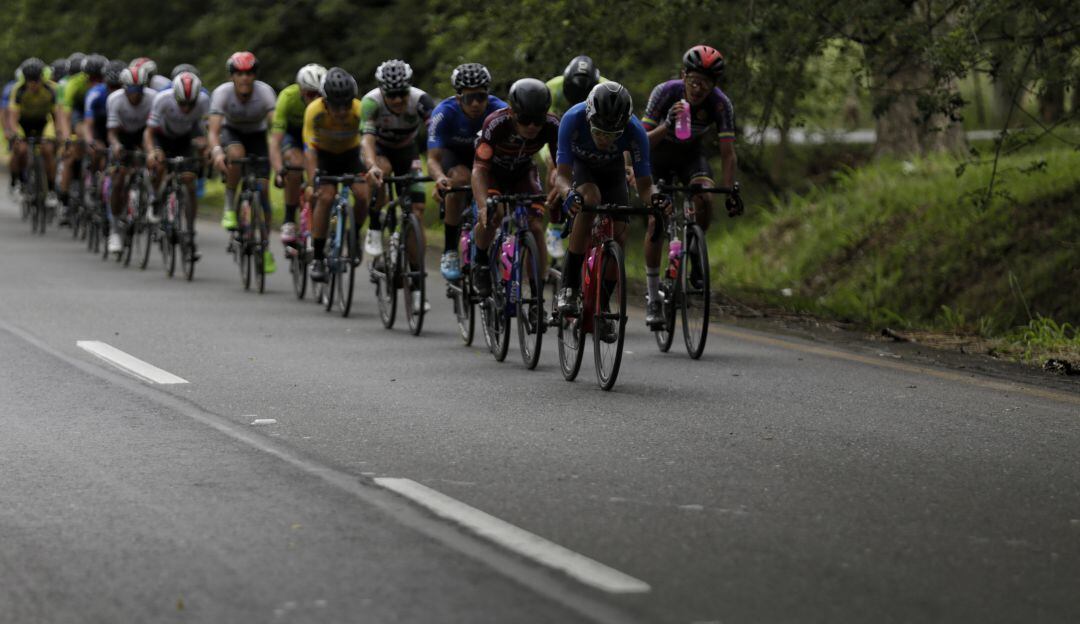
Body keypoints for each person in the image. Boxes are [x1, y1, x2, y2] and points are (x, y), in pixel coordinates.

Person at [552, 82, 667, 336]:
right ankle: (569, 288)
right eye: (599, 132)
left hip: (613, 173)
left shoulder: (635, 131)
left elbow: (646, 187)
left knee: (620, 232)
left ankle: (602, 307)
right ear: (589, 117)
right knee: (590, 198)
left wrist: (658, 201)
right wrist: (568, 194)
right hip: (583, 170)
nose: (605, 139)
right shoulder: (572, 118)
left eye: (613, 134)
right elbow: (560, 177)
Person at [640, 44, 739, 324]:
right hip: (658, 156)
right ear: (683, 75)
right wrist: (666, 126)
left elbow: (728, 152)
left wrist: (731, 189)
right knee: (655, 221)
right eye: (694, 81)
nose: (698, 89)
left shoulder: (720, 104)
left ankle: (695, 245)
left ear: (714, 85)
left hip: (690, 157)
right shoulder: (665, 92)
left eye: (706, 83)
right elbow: (641, 143)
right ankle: (653, 297)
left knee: (705, 196)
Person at [470, 77, 559, 296]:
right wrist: (483, 206)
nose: (531, 126)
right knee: (493, 215)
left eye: (537, 120)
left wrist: (562, 186)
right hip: (493, 173)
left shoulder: (552, 125)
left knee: (535, 226)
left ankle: (538, 292)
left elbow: (562, 166)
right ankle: (481, 262)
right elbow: (479, 169)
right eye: (525, 119)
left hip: (523, 171)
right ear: (511, 112)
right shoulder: (495, 123)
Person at [427, 63, 507, 280]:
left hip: (485, 159)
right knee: (458, 182)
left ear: (487, 95)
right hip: (454, 157)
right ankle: (450, 249)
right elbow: (432, 159)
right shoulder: (444, 112)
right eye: (468, 98)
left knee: (497, 204)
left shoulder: (500, 109)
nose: (475, 104)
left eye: (480, 97)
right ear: (458, 96)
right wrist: (440, 177)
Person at [208, 51, 277, 274]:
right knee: (236, 154)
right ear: (232, 76)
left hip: (257, 136)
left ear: (254, 75)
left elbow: (276, 128)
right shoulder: (222, 94)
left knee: (264, 190)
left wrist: (279, 153)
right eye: (239, 73)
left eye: (248, 73)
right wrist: (218, 152)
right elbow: (214, 131)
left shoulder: (265, 93)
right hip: (232, 132)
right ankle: (229, 205)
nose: (244, 78)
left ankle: (265, 248)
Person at [301, 67, 371, 286]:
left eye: (346, 104)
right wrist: (314, 183)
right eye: (335, 105)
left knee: (362, 194)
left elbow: (368, 144)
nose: (341, 111)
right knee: (325, 196)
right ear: (324, 101)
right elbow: (310, 151)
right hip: (324, 156)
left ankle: (354, 235)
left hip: (350, 155)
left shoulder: (360, 110)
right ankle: (319, 258)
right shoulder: (314, 111)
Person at [360, 59, 434, 261]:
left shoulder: (420, 100)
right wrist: (372, 165)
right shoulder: (371, 102)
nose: (398, 100)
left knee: (417, 211)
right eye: (392, 95)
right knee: (381, 169)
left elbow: (437, 136)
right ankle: (375, 227)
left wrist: (439, 166)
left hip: (407, 152)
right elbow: (367, 140)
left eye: (403, 93)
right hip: (380, 150)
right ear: (382, 91)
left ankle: (416, 278)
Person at [542, 55, 606, 261]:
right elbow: (544, 133)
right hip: (559, 132)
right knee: (554, 165)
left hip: (593, 134)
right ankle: (554, 224)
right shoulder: (551, 89)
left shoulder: (607, 88)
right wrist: (552, 162)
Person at [145, 71, 210, 259]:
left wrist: (206, 149)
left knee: (189, 181)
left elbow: (209, 130)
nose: (186, 108)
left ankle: (190, 234)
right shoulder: (162, 99)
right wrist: (152, 151)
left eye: (191, 104)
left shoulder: (205, 101)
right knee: (158, 165)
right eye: (182, 103)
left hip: (184, 139)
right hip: (162, 137)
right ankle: (155, 199)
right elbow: (148, 133)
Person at [270, 63, 325, 246]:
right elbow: (275, 141)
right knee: (295, 165)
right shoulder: (287, 97)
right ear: (300, 90)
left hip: (316, 136)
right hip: (292, 135)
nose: (314, 99)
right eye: (310, 94)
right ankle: (288, 219)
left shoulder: (327, 101)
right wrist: (279, 170)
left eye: (318, 95)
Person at [105, 63, 154, 254]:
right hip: (122, 136)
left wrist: (149, 150)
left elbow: (153, 130)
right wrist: (116, 146)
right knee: (118, 179)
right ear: (124, 88)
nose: (135, 94)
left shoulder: (152, 98)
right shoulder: (115, 99)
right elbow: (111, 133)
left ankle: (152, 203)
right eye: (131, 90)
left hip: (143, 135)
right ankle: (115, 229)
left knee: (154, 164)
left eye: (139, 89)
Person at [8, 58, 68, 209]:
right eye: (29, 80)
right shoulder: (19, 90)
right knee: (19, 149)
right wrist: (15, 134)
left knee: (47, 150)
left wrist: (59, 133)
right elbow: (13, 117)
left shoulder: (51, 89)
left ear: (41, 78)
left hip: (43, 122)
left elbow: (57, 115)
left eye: (35, 80)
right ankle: (18, 182)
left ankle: (51, 190)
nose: (32, 84)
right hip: (24, 123)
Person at [59, 54, 106, 222]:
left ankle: (97, 183)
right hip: (78, 114)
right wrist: (66, 138)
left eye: (99, 78)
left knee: (100, 149)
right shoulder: (74, 84)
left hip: (98, 115)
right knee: (76, 145)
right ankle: (65, 201)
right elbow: (65, 115)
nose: (95, 82)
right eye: (91, 78)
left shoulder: (106, 88)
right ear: (84, 75)